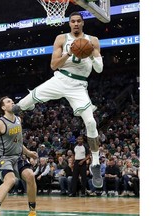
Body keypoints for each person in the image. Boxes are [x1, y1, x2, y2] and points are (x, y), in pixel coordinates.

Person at [12, 11, 104, 188]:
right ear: (69, 23)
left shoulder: (93, 40)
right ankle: (13, 118)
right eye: (73, 21)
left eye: (79, 21)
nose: (76, 23)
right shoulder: (61, 38)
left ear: (83, 23)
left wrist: (92, 53)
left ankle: (95, 163)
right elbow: (54, 65)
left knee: (91, 123)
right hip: (60, 79)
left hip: (79, 86)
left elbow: (99, 69)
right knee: (19, 106)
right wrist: (69, 54)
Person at [0, 96, 38, 216]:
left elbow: (18, 142)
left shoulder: (18, 119)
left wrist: (28, 153)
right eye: (8, 102)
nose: (12, 103)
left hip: (17, 156)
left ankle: (32, 211)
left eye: (12, 101)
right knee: (11, 180)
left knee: (30, 176)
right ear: (3, 107)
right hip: (3, 157)